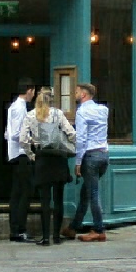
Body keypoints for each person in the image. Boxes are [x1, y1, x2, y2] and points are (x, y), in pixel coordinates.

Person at [20, 87, 76, 246]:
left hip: (42, 159)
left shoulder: (30, 116)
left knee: (45, 201)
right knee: (58, 199)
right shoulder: (58, 114)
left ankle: (45, 238)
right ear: (51, 100)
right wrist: (74, 147)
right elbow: (71, 133)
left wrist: (31, 155)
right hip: (58, 159)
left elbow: (23, 139)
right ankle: (57, 237)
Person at [62, 82, 109, 242]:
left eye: (77, 91)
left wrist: (78, 162)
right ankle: (73, 227)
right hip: (103, 155)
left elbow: (81, 139)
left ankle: (98, 229)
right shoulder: (103, 110)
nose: (74, 94)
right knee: (86, 193)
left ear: (84, 94)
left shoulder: (82, 112)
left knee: (93, 193)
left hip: (90, 156)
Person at [5, 78, 36, 242]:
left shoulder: (14, 107)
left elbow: (8, 133)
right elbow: (17, 134)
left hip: (15, 153)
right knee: (25, 192)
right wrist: (33, 141)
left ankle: (15, 230)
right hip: (21, 154)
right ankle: (19, 230)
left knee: (17, 193)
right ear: (29, 90)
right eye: (33, 91)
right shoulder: (20, 108)